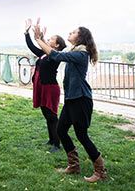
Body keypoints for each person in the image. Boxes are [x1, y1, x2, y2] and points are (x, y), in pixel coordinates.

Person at [33, 23, 107, 183]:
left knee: (82, 135)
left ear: (80, 38)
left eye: (73, 32)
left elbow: (57, 55)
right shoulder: (74, 51)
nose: (70, 33)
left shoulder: (81, 54)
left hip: (81, 99)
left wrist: (39, 40)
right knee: (60, 130)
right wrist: (41, 40)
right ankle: (74, 165)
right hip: (72, 99)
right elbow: (56, 53)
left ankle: (100, 171)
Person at [24, 18, 66, 153]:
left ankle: (57, 144)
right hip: (42, 87)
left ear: (57, 45)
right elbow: (31, 46)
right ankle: (51, 139)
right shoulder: (44, 54)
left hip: (50, 88)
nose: (49, 39)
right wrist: (26, 33)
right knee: (46, 114)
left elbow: (43, 47)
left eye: (52, 39)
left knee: (52, 116)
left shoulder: (56, 55)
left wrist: (40, 38)